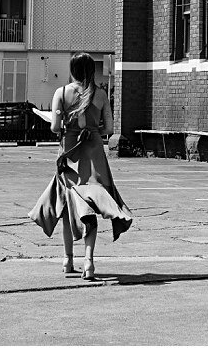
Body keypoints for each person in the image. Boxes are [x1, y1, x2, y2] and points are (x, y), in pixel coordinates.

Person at [40, 52, 133, 280]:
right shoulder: (100, 94)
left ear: (72, 70)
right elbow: (109, 128)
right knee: (89, 207)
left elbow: (54, 127)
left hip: (69, 156)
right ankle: (89, 262)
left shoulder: (61, 93)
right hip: (94, 156)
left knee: (67, 208)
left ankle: (67, 260)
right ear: (92, 71)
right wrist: (92, 131)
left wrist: (65, 125)